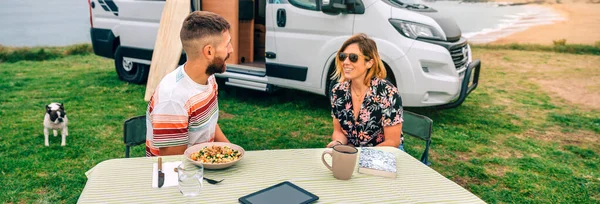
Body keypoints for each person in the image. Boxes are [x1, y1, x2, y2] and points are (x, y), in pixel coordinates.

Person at [146, 11, 233, 156]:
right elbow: (173, 163)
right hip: (180, 173)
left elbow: (209, 125)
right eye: (227, 44)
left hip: (202, 165)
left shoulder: (209, 78)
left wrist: (232, 151)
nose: (231, 50)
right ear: (209, 52)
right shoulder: (173, 100)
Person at [327, 33, 404, 148]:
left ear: (369, 63)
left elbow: (392, 142)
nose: (346, 62)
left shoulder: (387, 93)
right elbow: (338, 131)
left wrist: (361, 156)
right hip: (353, 152)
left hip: (385, 153)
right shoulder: (338, 91)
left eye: (353, 57)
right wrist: (338, 143)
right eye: (343, 56)